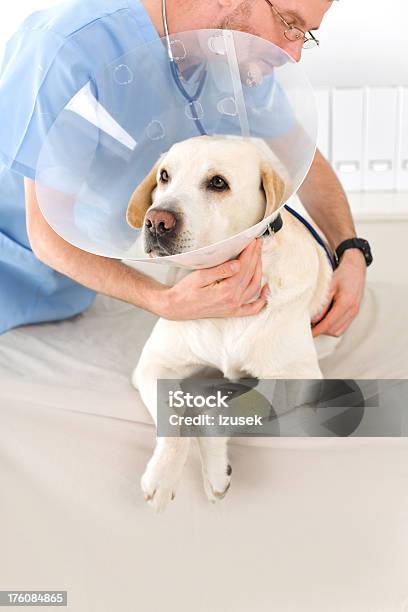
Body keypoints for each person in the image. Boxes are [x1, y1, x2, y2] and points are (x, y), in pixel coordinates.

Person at [0, 0, 368, 337]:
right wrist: (163, 301)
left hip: (76, 290)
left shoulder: (231, 55)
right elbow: (47, 234)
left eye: (305, 36)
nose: (294, 54)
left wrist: (351, 251)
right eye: (290, 25)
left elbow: (302, 158)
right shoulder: (65, 49)